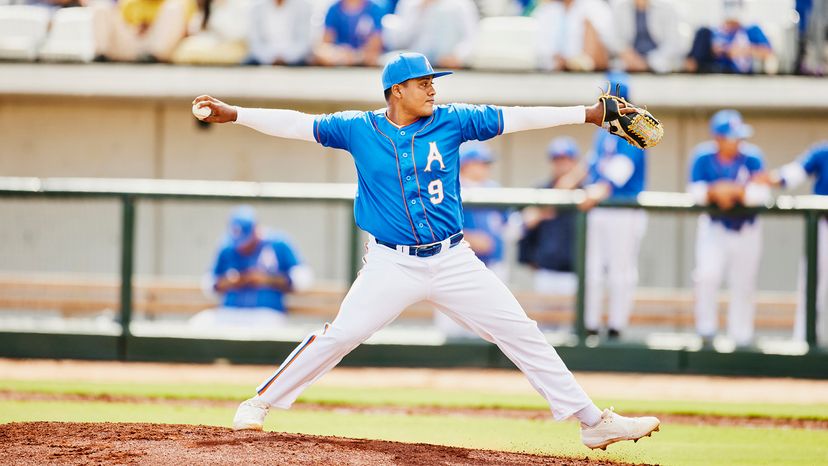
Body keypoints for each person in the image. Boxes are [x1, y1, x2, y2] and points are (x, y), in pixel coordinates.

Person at [192, 51, 660, 450]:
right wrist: (236, 114)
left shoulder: (453, 121)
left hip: (454, 260)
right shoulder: (358, 128)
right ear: (396, 90)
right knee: (341, 335)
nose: (433, 89)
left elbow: (516, 116)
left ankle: (593, 423)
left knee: (522, 332)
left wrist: (589, 113)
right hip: (392, 262)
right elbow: (298, 124)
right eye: (423, 83)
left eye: (434, 81)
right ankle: (259, 402)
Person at [687, 110, 771, 348]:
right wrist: (717, 191)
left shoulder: (752, 157)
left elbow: (759, 194)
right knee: (706, 276)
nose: (737, 142)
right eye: (731, 137)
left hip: (747, 228)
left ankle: (741, 336)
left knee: (743, 283)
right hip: (714, 227)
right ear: (718, 138)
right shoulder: (703, 157)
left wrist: (734, 191)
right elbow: (696, 193)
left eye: (738, 137)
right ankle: (706, 331)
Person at [578, 76, 646, 341]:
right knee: (593, 269)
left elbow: (620, 172)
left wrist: (594, 193)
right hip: (600, 208)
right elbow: (591, 166)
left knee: (621, 271)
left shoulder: (636, 129)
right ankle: (590, 324)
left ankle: (617, 327)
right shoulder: (603, 131)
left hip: (623, 209)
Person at [190, 206, 313, 328]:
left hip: (267, 313)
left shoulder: (278, 243)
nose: (242, 247)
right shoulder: (227, 247)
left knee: (266, 327)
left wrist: (267, 279)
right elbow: (208, 283)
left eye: (246, 240)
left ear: (256, 230)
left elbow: (303, 280)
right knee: (199, 323)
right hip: (231, 313)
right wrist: (229, 281)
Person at [434, 142, 508, 338]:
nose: (485, 168)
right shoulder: (449, 188)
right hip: (455, 267)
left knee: (492, 326)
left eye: (486, 163)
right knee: (453, 330)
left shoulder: (494, 189)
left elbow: (508, 225)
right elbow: (436, 226)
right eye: (481, 163)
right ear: (466, 164)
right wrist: (469, 237)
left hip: (492, 264)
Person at [761, 142, 828, 344]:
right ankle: (805, 341)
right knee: (811, 285)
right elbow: (794, 173)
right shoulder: (823, 152)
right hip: (824, 225)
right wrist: (774, 178)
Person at [519, 137, 585, 297]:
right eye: (557, 159)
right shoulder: (540, 191)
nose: (562, 164)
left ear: (575, 162)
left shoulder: (587, 192)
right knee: (544, 322)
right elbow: (525, 230)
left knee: (574, 322)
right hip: (546, 272)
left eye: (566, 159)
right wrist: (530, 260)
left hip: (579, 273)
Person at [685, 0, 775, 74]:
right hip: (715, 76)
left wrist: (742, 50)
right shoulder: (710, 33)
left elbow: (769, 53)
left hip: (741, 79)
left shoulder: (751, 31)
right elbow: (691, 63)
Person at [382, 0, 478, 69]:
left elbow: (471, 38)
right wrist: (419, 11)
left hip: (447, 66)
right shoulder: (409, 3)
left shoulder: (461, 4)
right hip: (416, 67)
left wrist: (457, 56)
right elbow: (398, 41)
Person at [92, 0, 196, 62]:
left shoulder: (180, 3)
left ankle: (154, 57)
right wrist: (137, 28)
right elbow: (126, 26)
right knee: (101, 8)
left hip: (160, 48)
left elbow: (188, 30)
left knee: (173, 8)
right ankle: (101, 54)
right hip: (136, 45)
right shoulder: (131, 2)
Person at [533, 0, 614, 72]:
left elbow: (599, 61)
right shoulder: (545, 10)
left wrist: (574, 63)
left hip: (585, 77)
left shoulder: (595, 7)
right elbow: (539, 52)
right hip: (550, 75)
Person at [609, 0, 683, 73]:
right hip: (630, 66)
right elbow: (616, 40)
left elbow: (673, 43)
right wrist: (629, 56)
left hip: (659, 65)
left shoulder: (667, 8)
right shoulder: (620, 7)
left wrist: (649, 61)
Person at [313, 0, 385, 67]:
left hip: (363, 58)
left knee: (373, 58)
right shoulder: (333, 9)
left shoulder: (374, 9)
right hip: (337, 57)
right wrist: (339, 53)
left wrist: (355, 56)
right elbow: (325, 44)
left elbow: (375, 47)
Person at [244, 0, 313, 66]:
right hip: (263, 58)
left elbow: (304, 43)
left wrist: (285, 58)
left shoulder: (303, 7)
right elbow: (255, 43)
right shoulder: (256, 8)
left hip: (294, 59)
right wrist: (271, 59)